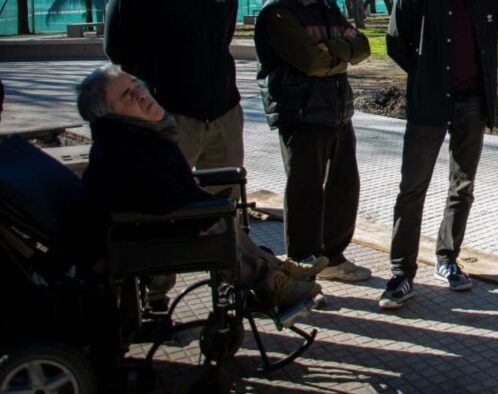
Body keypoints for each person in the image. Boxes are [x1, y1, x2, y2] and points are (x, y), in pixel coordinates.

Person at [77, 64, 325, 312]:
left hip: (151, 226)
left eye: (136, 84)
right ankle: (272, 284)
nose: (141, 94)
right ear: (109, 114)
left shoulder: (139, 135)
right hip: (139, 237)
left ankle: (276, 269)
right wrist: (199, 202)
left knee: (220, 215)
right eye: (127, 96)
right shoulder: (126, 147)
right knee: (217, 221)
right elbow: (157, 198)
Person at [379, 0, 498, 309]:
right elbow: (396, 45)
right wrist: (427, 76)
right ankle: (401, 271)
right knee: (412, 187)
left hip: (472, 102)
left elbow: (491, 38)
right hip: (428, 103)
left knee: (462, 186)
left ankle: (448, 258)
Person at [254, 0, 372, 284]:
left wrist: (333, 49)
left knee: (344, 186)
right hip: (302, 113)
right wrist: (339, 52)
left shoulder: (324, 3)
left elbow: (363, 45)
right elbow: (311, 62)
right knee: (305, 192)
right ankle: (302, 269)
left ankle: (333, 258)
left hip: (336, 110)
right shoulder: (278, 10)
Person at [104, 0, 242, 170]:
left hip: (224, 118)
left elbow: (221, 38)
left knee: (223, 203)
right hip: (170, 120)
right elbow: (117, 51)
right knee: (169, 205)